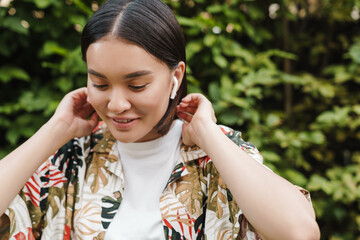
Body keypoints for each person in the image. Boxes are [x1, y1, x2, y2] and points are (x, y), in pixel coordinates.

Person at [0, 0, 320, 239]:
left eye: (137, 85)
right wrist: (54, 130)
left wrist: (208, 133)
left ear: (175, 78)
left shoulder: (219, 154)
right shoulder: (70, 160)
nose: (116, 103)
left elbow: (299, 232)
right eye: (99, 83)